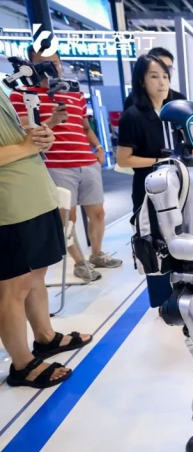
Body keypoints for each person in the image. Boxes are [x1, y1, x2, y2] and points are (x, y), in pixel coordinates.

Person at [0, 89, 92, 388]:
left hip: (34, 194)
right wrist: (27, 146)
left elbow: (15, 139)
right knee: (13, 286)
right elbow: (18, 147)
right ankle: (22, 364)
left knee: (36, 273)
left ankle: (45, 337)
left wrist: (38, 138)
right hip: (8, 206)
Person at [11, 48, 122, 282]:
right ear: (31, 65)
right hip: (56, 163)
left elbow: (84, 125)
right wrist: (52, 120)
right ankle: (80, 263)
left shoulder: (73, 93)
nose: (51, 67)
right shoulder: (22, 95)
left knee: (98, 212)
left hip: (86, 160)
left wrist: (98, 147)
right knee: (67, 218)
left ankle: (97, 254)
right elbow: (24, 130)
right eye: (43, 63)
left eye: (55, 62)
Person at [116, 54, 177, 308]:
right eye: (154, 76)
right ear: (142, 81)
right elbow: (123, 159)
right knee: (154, 244)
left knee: (177, 238)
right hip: (148, 190)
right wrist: (158, 161)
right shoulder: (133, 115)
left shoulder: (173, 111)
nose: (162, 82)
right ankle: (163, 302)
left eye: (165, 76)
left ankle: (180, 295)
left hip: (176, 186)